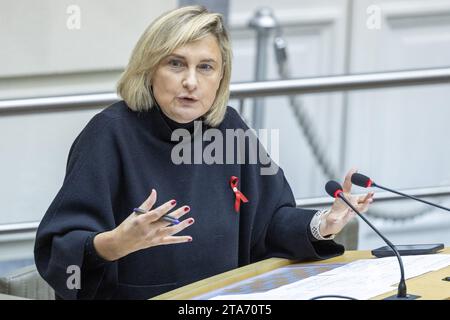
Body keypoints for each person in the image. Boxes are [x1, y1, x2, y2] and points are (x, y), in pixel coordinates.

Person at [34, 5, 374, 300]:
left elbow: (269, 223)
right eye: (176, 64)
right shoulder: (109, 134)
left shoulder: (229, 127)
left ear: (221, 77)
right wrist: (113, 244)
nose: (191, 82)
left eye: (206, 67)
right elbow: (58, 251)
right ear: (149, 69)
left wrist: (321, 224)